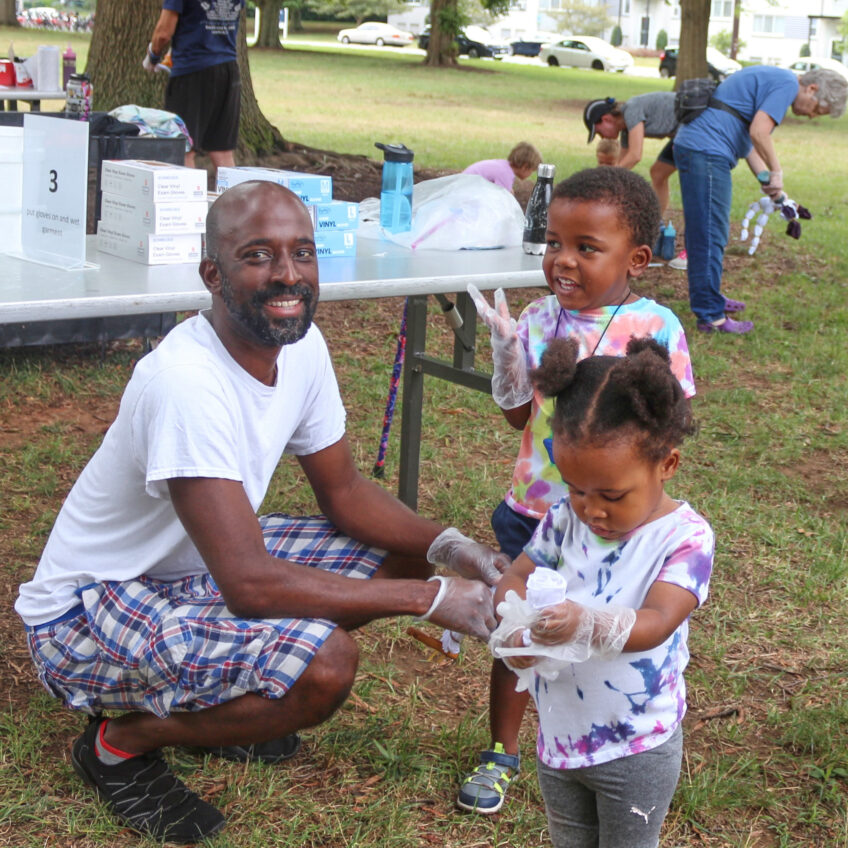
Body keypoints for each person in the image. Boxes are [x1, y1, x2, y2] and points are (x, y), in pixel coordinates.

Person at [15, 181, 508, 844]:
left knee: (405, 548)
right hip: (89, 609)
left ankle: (224, 704)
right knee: (322, 667)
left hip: (194, 566)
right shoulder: (186, 381)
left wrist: (453, 548)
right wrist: (430, 597)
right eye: (258, 255)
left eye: (302, 253)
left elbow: (347, 493)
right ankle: (120, 743)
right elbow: (247, 583)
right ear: (212, 275)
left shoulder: (300, 348)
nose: (287, 274)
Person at [458, 167, 695, 814]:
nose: (562, 259)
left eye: (586, 248)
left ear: (636, 258)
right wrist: (509, 359)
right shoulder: (539, 318)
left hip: (614, 523)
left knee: (594, 632)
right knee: (521, 633)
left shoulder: (657, 329)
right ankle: (502, 751)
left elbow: (667, 424)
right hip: (534, 513)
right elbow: (516, 415)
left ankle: (598, 739)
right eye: (554, 241)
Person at [489, 335, 714, 848]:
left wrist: (585, 622)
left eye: (612, 495)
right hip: (560, 734)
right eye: (575, 487)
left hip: (636, 744)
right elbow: (517, 575)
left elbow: (658, 621)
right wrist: (515, 625)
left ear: (667, 464)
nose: (591, 510)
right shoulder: (566, 519)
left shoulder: (685, 538)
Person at [673, 65, 847, 335]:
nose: (812, 116)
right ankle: (711, 316)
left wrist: (779, 196)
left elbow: (748, 145)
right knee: (710, 234)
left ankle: (711, 298)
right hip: (705, 152)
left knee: (711, 232)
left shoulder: (775, 81)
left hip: (702, 149)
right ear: (811, 89)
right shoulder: (788, 84)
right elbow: (759, 133)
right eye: (817, 109)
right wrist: (778, 170)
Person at [583, 94, 686, 274]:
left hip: (696, 126)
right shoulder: (625, 129)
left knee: (692, 183)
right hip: (681, 132)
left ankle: (692, 251)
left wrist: (605, 179)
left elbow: (635, 155)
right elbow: (621, 171)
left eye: (599, 132)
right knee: (658, 173)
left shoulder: (631, 110)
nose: (602, 138)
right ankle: (654, 227)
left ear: (607, 119)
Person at [143, 0, 244, 173]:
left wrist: (153, 55)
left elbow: (163, 33)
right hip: (228, 70)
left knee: (183, 149)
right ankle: (234, 199)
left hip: (192, 72)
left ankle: (189, 200)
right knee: (222, 151)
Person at [463, 141, 543, 193]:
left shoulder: (503, 166)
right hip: (466, 190)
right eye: (532, 170)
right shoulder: (505, 174)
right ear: (525, 167)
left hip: (464, 185)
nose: (531, 174)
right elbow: (502, 200)